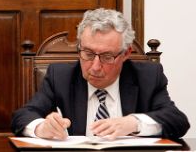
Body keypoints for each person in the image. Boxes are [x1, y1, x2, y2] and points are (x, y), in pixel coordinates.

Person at [11, 8, 189, 140]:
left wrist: (133, 123)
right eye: (88, 54)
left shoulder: (148, 77)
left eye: (107, 56)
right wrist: (42, 128)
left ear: (126, 53)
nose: (95, 67)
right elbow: (22, 116)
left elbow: (178, 121)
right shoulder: (61, 76)